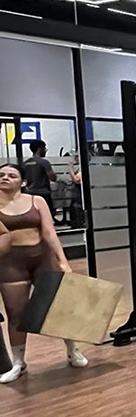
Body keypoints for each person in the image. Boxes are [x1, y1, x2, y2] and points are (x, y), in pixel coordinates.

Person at [0, 163, 86, 383]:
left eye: (12, 175)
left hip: (42, 259)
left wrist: (63, 261)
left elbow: (49, 232)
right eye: (1, 175)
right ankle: (18, 363)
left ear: (23, 182)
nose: (5, 178)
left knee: (58, 306)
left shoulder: (36, 201)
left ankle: (73, 350)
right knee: (15, 313)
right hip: (11, 264)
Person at [21, 140, 57, 219]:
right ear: (40, 149)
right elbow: (53, 177)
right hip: (43, 194)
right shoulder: (44, 162)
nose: (45, 151)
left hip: (29, 194)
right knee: (47, 216)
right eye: (45, 148)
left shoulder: (25, 163)